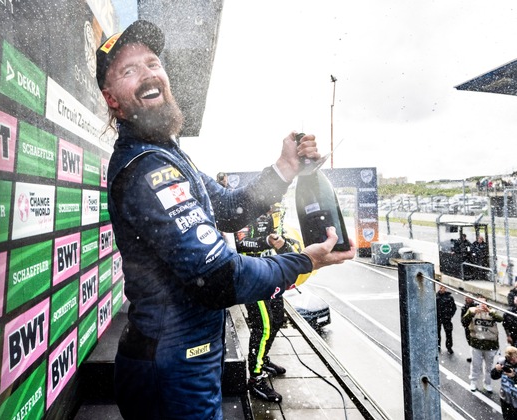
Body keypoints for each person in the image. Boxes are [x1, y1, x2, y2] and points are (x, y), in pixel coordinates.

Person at [97, 20, 356, 419]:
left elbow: (229, 210)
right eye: (129, 70)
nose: (148, 74)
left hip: (183, 361)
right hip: (170, 371)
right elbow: (219, 278)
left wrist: (285, 167)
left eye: (152, 63)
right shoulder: (147, 167)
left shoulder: (167, 153)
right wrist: (305, 261)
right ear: (112, 99)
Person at [235, 205, 295, 403]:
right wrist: (266, 241)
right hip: (250, 277)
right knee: (263, 325)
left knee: (277, 319)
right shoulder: (244, 211)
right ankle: (255, 378)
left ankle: (263, 359)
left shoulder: (270, 216)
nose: (276, 205)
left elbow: (274, 240)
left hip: (270, 273)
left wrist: (285, 243)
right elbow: (240, 243)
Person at [462, 297, 503, 393]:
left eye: (483, 302)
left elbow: (500, 319)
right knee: (475, 365)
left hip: (490, 345)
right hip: (476, 344)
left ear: (487, 303)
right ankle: (473, 382)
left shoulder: (492, 311)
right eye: (479, 302)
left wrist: (489, 311)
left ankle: (487, 383)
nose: (481, 304)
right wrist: (471, 313)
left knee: (488, 366)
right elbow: (464, 322)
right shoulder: (472, 310)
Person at [491, 346, 517, 419]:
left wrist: (514, 377)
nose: (512, 361)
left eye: (514, 358)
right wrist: (497, 370)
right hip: (505, 398)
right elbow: (493, 376)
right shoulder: (503, 362)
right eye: (510, 359)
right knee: (507, 417)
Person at [436, 285, 457, 354]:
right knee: (437, 333)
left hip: (446, 318)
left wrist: (450, 315)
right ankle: (438, 346)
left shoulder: (449, 298)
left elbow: (454, 308)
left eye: (442, 287)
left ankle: (449, 347)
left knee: (448, 333)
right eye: (440, 287)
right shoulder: (436, 297)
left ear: (445, 288)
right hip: (438, 318)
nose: (441, 289)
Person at [461, 295, 479, 362]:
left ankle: (476, 356)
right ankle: (473, 356)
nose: (468, 299)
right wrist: (465, 324)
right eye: (467, 298)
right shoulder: (464, 307)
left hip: (475, 327)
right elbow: (463, 318)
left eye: (469, 298)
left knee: (475, 342)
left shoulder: (475, 306)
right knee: (470, 342)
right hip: (468, 327)